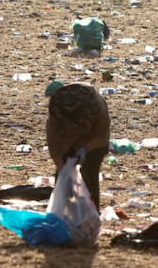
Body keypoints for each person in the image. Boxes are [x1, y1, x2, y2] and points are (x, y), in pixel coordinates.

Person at [46, 82, 110, 210]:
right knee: (62, 178)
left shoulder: (97, 108)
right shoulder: (57, 109)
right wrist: (60, 164)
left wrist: (85, 149)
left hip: (93, 141)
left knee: (89, 175)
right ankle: (63, 212)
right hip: (67, 139)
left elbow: (101, 137)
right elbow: (53, 142)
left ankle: (90, 214)